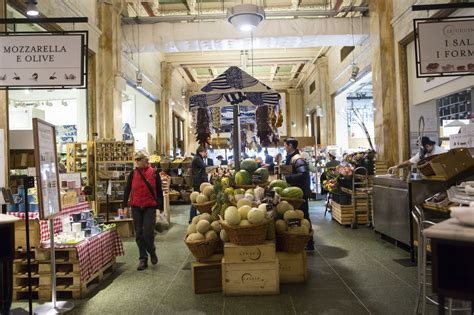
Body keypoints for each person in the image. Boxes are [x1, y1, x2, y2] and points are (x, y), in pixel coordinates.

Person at [123, 150, 164, 271]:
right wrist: (125, 205)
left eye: (138, 160)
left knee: (148, 232)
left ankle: (151, 250)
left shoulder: (154, 173)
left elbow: (159, 191)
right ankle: (143, 258)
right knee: (139, 233)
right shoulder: (133, 173)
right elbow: (127, 189)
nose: (136, 162)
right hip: (136, 206)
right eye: (136, 160)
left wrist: (160, 207)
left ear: (145, 160)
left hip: (149, 206)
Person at [283, 138, 315, 251]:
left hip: (300, 194)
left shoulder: (298, 159)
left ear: (290, 145)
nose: (284, 147)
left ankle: (309, 243)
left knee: (304, 216)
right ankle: (299, 241)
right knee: (298, 216)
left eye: (285, 145)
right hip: (296, 193)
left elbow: (303, 173)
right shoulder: (292, 158)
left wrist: (287, 178)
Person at [190, 146, 209, 223]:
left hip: (198, 181)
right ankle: (192, 218)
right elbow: (205, 166)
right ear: (201, 152)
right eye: (205, 152)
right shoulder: (197, 159)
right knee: (196, 200)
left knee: (197, 199)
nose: (205, 154)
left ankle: (193, 217)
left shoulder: (198, 158)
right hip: (198, 182)